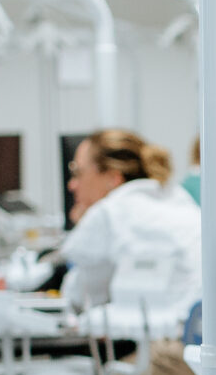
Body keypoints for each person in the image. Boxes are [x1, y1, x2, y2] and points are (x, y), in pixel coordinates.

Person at [61, 128, 203, 323]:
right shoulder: (174, 196)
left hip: (174, 332)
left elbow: (77, 298)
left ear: (113, 178)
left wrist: (82, 222)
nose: (72, 185)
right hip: (207, 325)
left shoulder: (110, 211)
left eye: (78, 173)